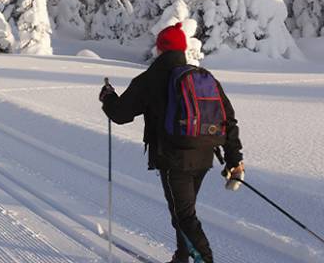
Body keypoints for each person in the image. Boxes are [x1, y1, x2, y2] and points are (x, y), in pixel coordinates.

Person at [99, 23, 244, 263]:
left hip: (173, 159)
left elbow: (120, 114)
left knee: (183, 217)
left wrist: (108, 97)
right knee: (185, 212)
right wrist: (234, 159)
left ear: (160, 49)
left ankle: (204, 260)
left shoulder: (149, 79)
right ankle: (182, 258)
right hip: (205, 155)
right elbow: (228, 119)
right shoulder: (203, 77)